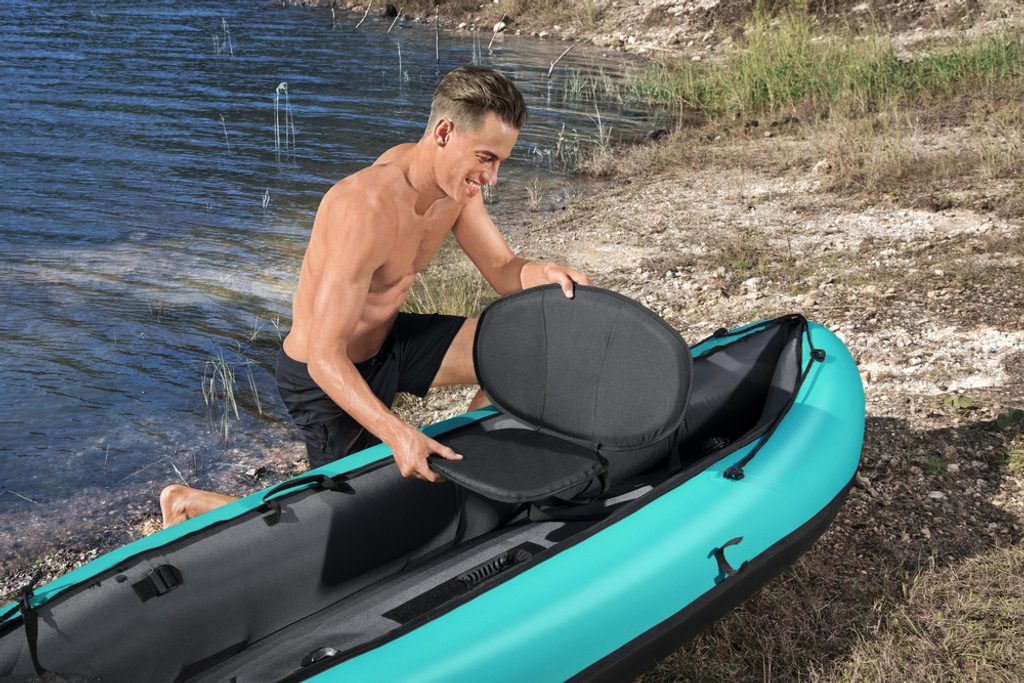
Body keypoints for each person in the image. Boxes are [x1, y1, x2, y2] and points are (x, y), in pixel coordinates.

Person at [160, 65, 591, 528]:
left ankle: (466, 482)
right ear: (443, 133)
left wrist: (542, 272)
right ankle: (192, 504)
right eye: (486, 158)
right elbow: (324, 356)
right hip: (324, 378)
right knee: (343, 527)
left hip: (392, 345)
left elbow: (503, 269)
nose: (492, 177)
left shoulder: (457, 188)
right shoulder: (363, 208)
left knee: (519, 355)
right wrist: (399, 434)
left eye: (500, 162)